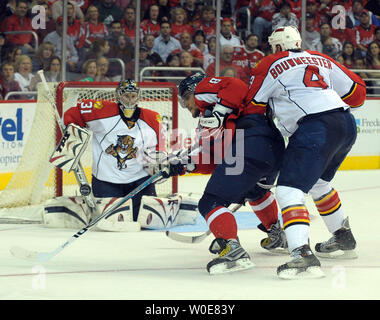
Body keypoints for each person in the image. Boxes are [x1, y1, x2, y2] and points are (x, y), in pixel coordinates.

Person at [246, 26, 366, 279]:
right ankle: (343, 237)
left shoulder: (270, 62)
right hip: (345, 124)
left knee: (289, 190)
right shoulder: (321, 58)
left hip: (314, 128)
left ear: (277, 46)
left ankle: (301, 255)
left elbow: (252, 106)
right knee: (319, 183)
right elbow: (358, 94)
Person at [158, 73, 286, 274]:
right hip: (271, 150)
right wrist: (183, 165)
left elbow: (235, 84)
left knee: (210, 202)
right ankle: (277, 233)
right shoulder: (207, 119)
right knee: (254, 191)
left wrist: (219, 111)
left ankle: (232, 250)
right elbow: (214, 158)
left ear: (193, 90)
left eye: (185, 98)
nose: (186, 105)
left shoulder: (204, 91)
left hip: (249, 145)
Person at [63, 79, 166, 221]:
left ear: (138, 97)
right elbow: (71, 115)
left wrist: (160, 163)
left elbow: (161, 149)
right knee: (112, 223)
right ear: (118, 96)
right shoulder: (100, 111)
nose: (130, 100)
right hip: (106, 180)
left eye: (133, 96)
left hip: (140, 181)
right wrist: (72, 133)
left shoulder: (153, 118)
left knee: (146, 221)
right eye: (126, 96)